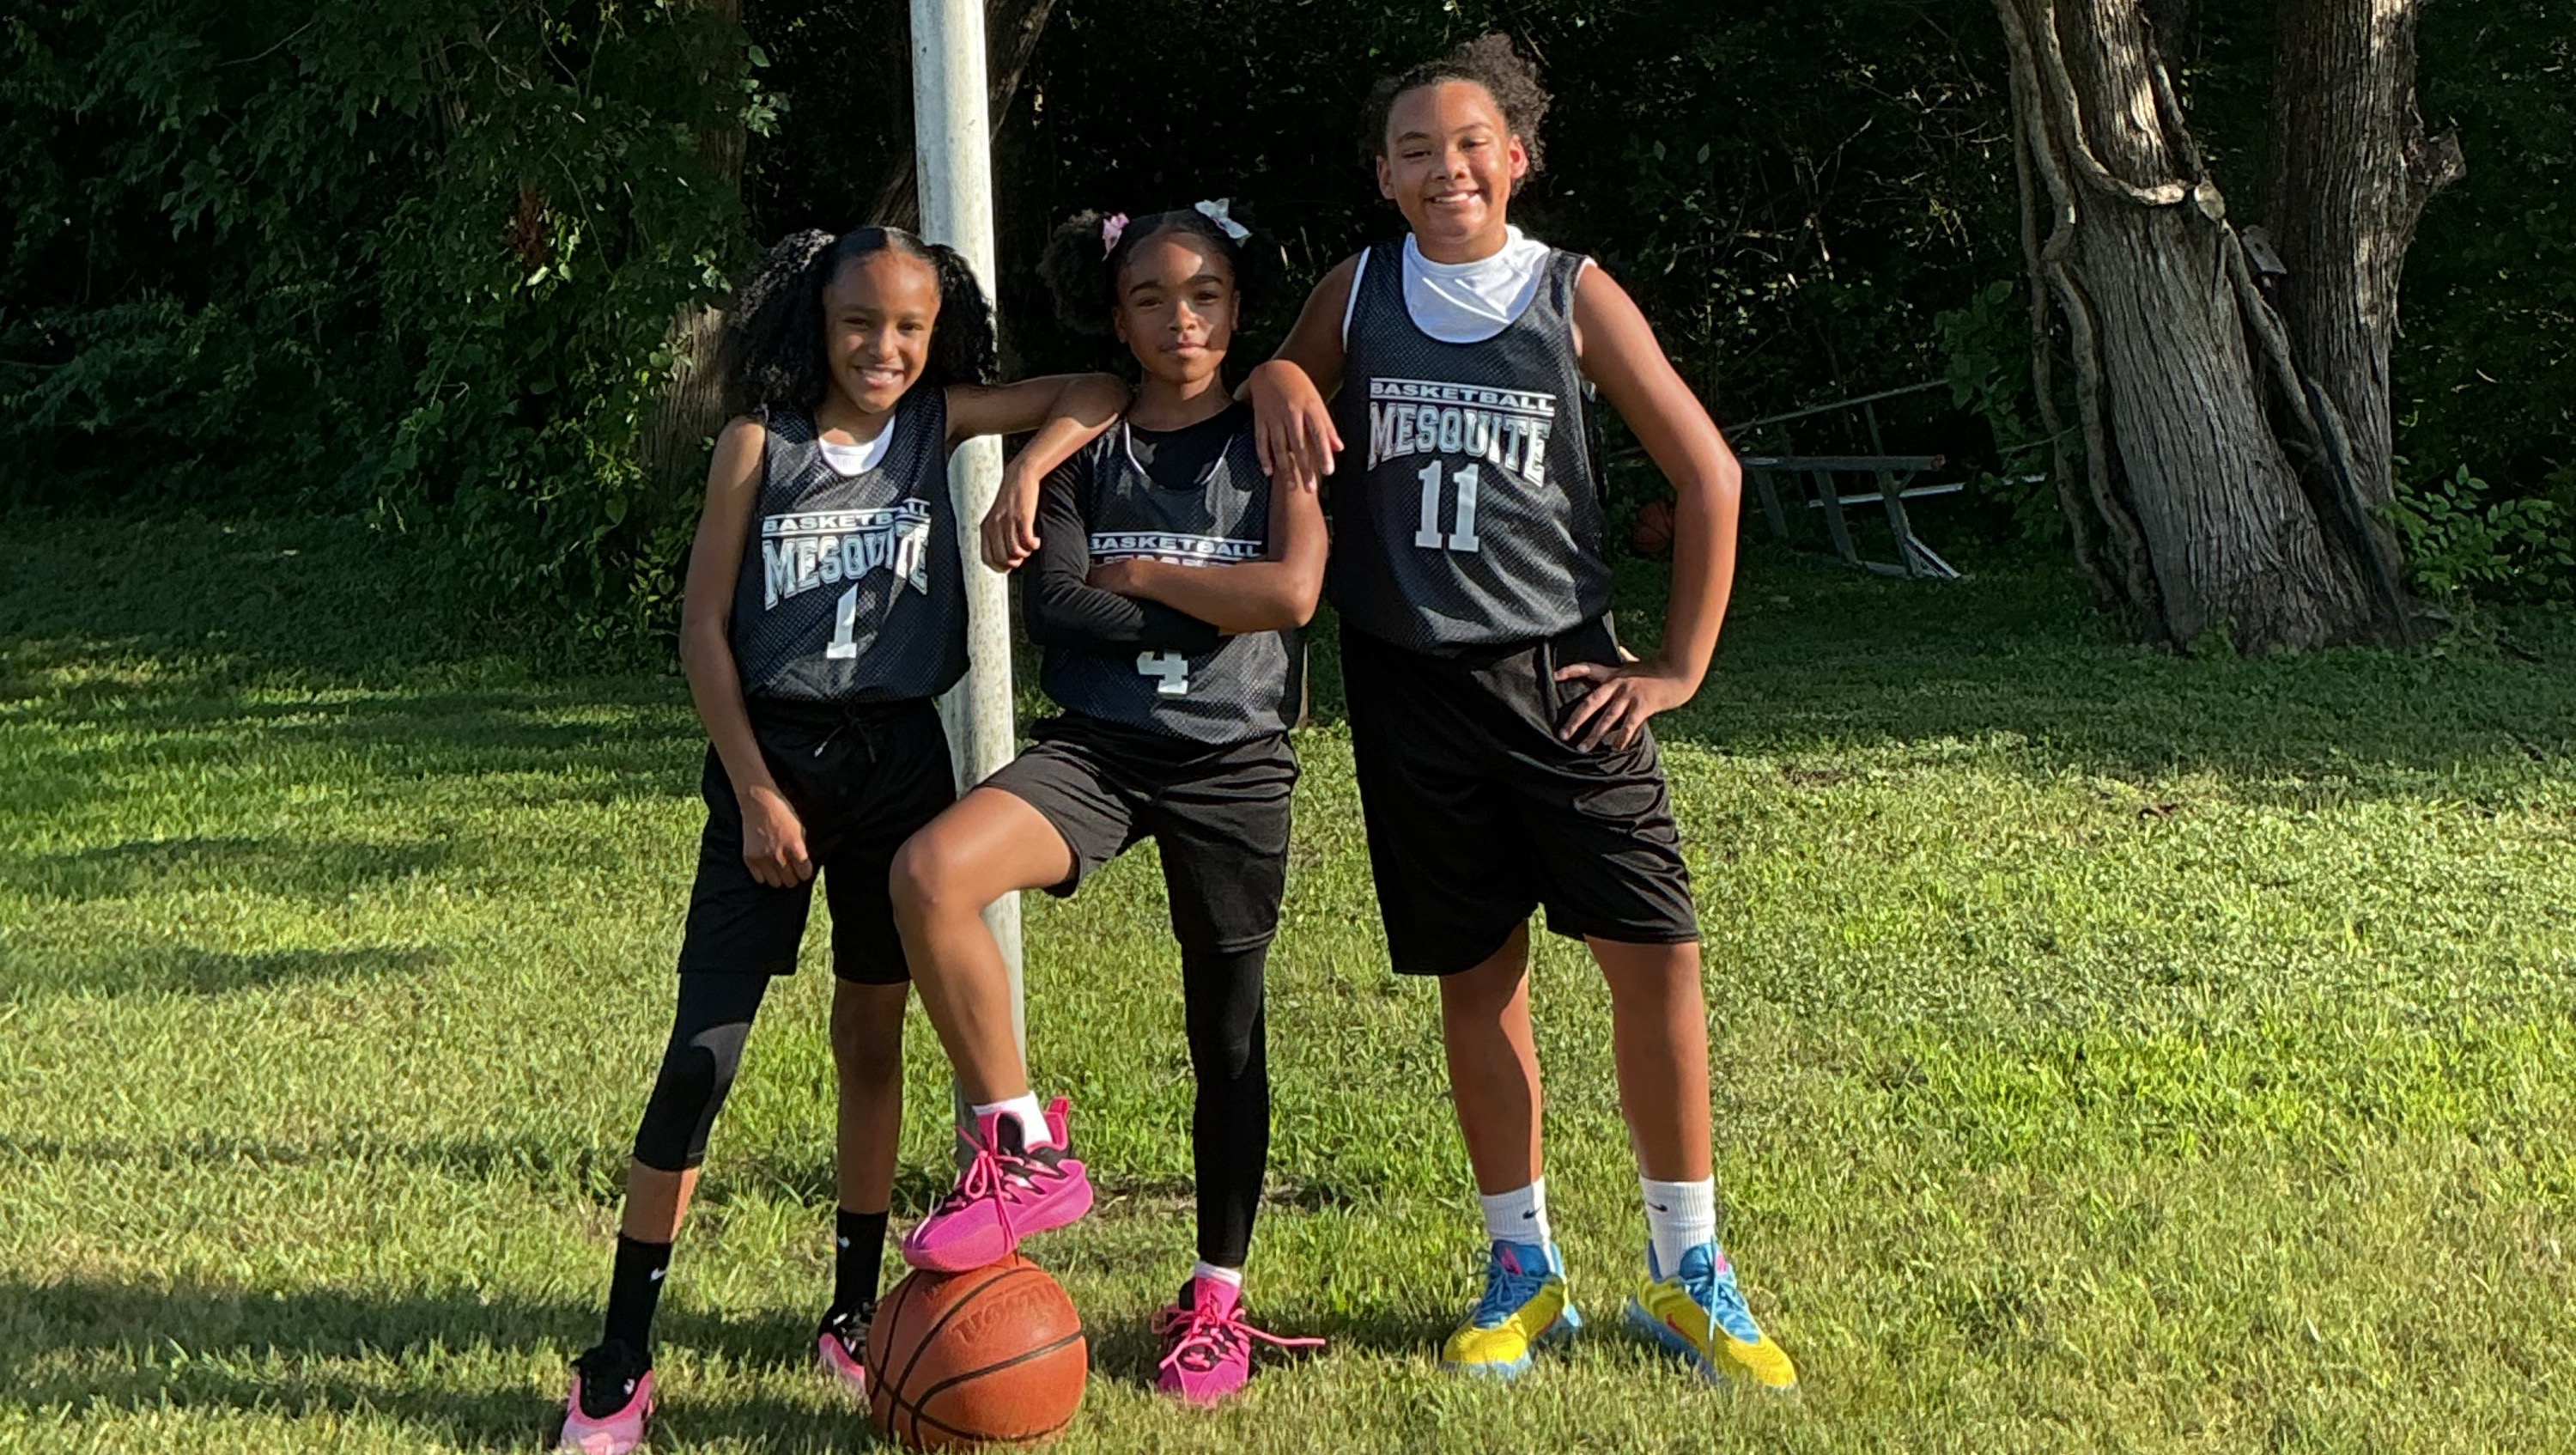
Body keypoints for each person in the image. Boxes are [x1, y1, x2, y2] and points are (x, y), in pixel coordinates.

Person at [1243, 34, 1799, 1391]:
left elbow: (1710, 474)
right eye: (1416, 150)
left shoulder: (1570, 290)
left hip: (1563, 676)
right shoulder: (1358, 288)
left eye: (1470, 143)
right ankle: (1523, 1266)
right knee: (1477, 974)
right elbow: (1285, 378)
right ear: (1384, 175)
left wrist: (1677, 667)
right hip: (1410, 679)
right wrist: (1279, 374)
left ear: (1519, 155)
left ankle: (1687, 1267)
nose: (1446, 168)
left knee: (1654, 952)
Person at [559, 225, 1126, 1455]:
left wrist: (1027, 471)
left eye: (910, 327)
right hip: (771, 765)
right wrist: (758, 791)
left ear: (937, 332)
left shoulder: (937, 420)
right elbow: (703, 634)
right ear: (816, 321)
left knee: (872, 1037)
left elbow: (1098, 388)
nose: (885, 347)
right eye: (861, 321)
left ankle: (853, 1310)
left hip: (899, 763)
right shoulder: (756, 444)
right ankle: (618, 1360)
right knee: (701, 1058)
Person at [886, 202, 1326, 1403]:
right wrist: (1208, 595)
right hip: (1101, 751)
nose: (1181, 320)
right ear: (1117, 318)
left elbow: (1291, 595)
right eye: (1150, 298)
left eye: (1205, 295)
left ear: (1237, 307)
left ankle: (1218, 1297)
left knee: (1226, 1035)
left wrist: (1143, 571)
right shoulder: (1088, 441)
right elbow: (1061, 608)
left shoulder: (1275, 429)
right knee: (930, 873)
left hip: (1234, 759)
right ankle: (1023, 1145)